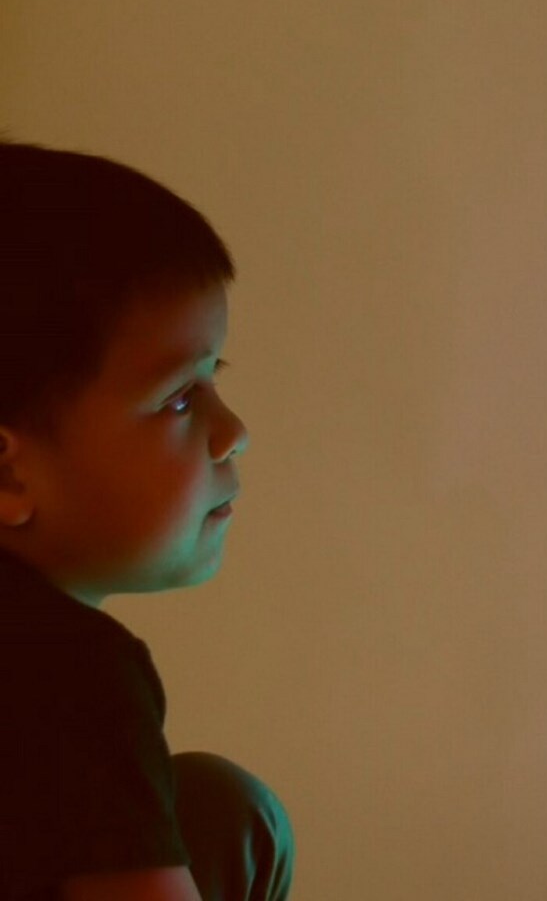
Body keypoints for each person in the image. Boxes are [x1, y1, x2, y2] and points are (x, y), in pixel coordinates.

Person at [0, 140, 295, 900]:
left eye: (212, 378)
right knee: (231, 814)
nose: (233, 433)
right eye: (180, 399)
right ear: (8, 474)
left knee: (214, 807)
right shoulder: (70, 673)